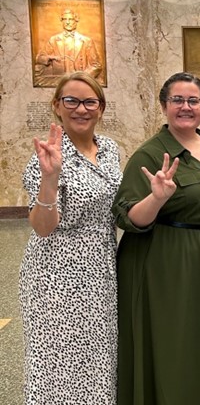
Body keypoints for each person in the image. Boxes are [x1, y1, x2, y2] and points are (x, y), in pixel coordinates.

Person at [113, 72, 200, 405]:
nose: (185, 107)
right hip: (169, 260)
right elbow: (129, 218)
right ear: (164, 106)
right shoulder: (151, 154)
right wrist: (157, 197)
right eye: (177, 100)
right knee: (180, 345)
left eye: (193, 100)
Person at [20, 71, 121, 403]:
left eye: (90, 101)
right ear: (57, 106)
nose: (81, 109)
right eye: (71, 101)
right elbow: (42, 226)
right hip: (56, 275)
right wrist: (50, 179)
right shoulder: (48, 154)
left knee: (98, 360)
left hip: (101, 271)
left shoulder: (109, 149)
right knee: (58, 365)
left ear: (101, 108)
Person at [35, 8, 103, 86]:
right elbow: (39, 58)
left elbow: (96, 65)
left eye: (70, 19)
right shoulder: (53, 40)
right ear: (62, 21)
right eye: (65, 19)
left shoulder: (86, 41)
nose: (67, 22)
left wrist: (83, 78)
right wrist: (49, 58)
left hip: (80, 83)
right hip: (58, 83)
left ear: (76, 21)